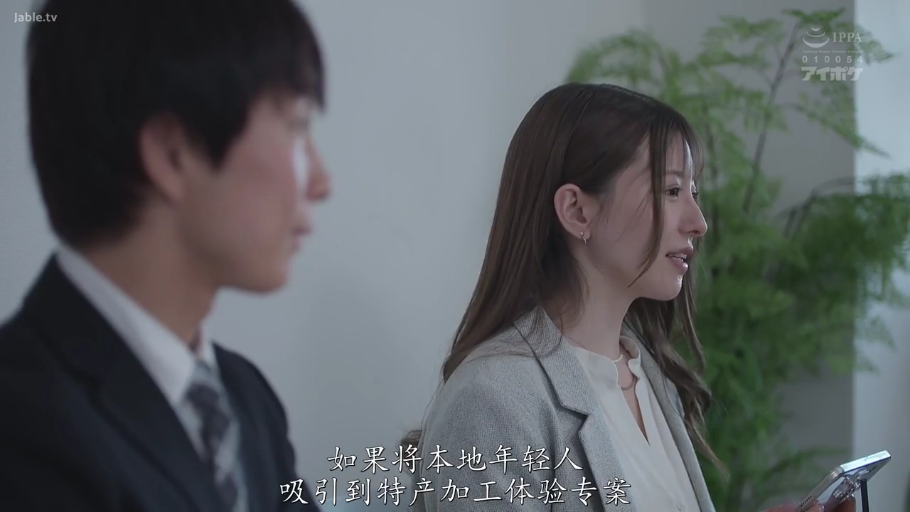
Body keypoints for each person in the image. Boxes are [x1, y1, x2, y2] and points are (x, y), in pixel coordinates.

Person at [403, 83, 854, 512]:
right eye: (671, 190)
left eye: (693, 192)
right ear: (577, 210)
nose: (698, 222)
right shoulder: (494, 400)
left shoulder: (650, 376)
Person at [0, 0, 329, 510]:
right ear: (173, 154)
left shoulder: (247, 400)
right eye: (296, 128)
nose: (322, 182)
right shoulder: (23, 425)